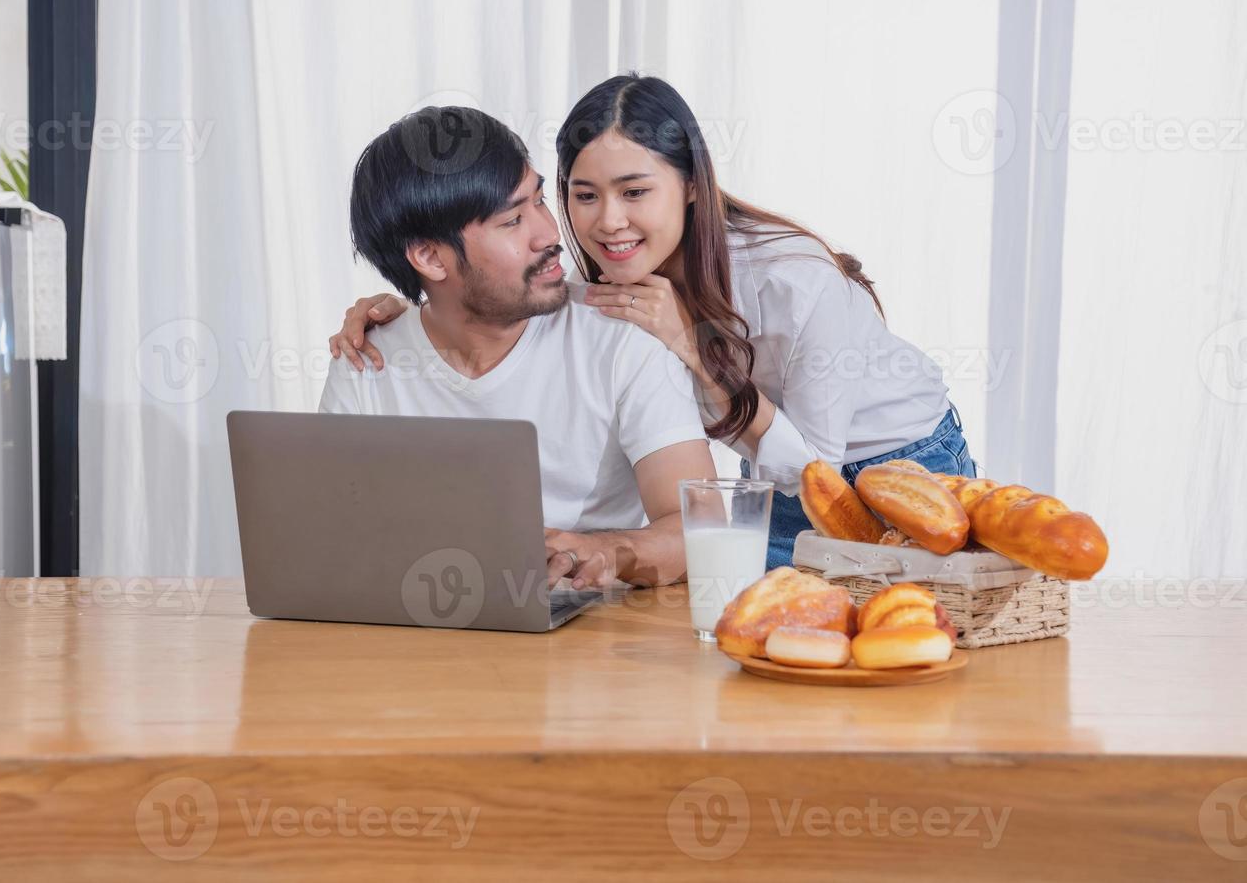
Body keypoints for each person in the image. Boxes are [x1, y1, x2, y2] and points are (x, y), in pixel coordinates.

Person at [329, 75, 979, 569]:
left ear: (692, 185)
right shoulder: (610, 284)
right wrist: (409, 307)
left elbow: (815, 475)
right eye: (583, 196)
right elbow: (503, 298)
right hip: (776, 480)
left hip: (890, 462)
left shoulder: (794, 282)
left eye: (636, 192)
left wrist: (693, 354)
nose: (606, 222)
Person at [319, 104, 717, 591]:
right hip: (421, 639)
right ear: (427, 256)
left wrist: (607, 551)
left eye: (540, 201)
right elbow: (332, 544)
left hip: (592, 641)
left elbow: (703, 531)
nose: (550, 234)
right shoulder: (367, 361)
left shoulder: (623, 336)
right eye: (511, 221)